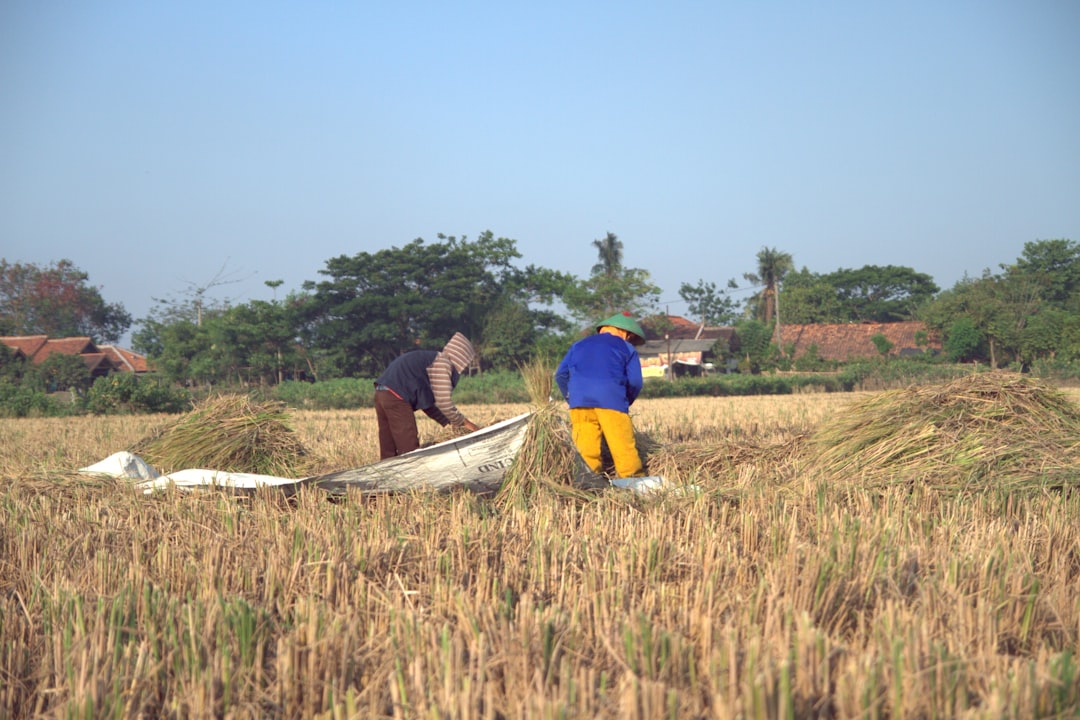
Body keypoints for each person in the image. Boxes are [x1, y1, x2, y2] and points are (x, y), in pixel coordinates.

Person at [555, 311, 647, 479]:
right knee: (622, 445)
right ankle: (633, 480)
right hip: (611, 401)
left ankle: (587, 482)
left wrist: (571, 397)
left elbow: (561, 375)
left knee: (585, 447)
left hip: (579, 403)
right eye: (631, 337)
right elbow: (635, 382)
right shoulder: (626, 347)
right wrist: (624, 400)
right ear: (626, 333)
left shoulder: (579, 345)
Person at [374, 332, 480, 460]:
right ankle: (412, 477)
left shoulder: (429, 360)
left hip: (381, 393)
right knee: (409, 449)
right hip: (396, 396)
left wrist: (447, 422)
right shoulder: (443, 362)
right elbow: (444, 402)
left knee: (388, 446)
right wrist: (465, 423)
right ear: (461, 358)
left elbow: (427, 404)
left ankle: (386, 474)